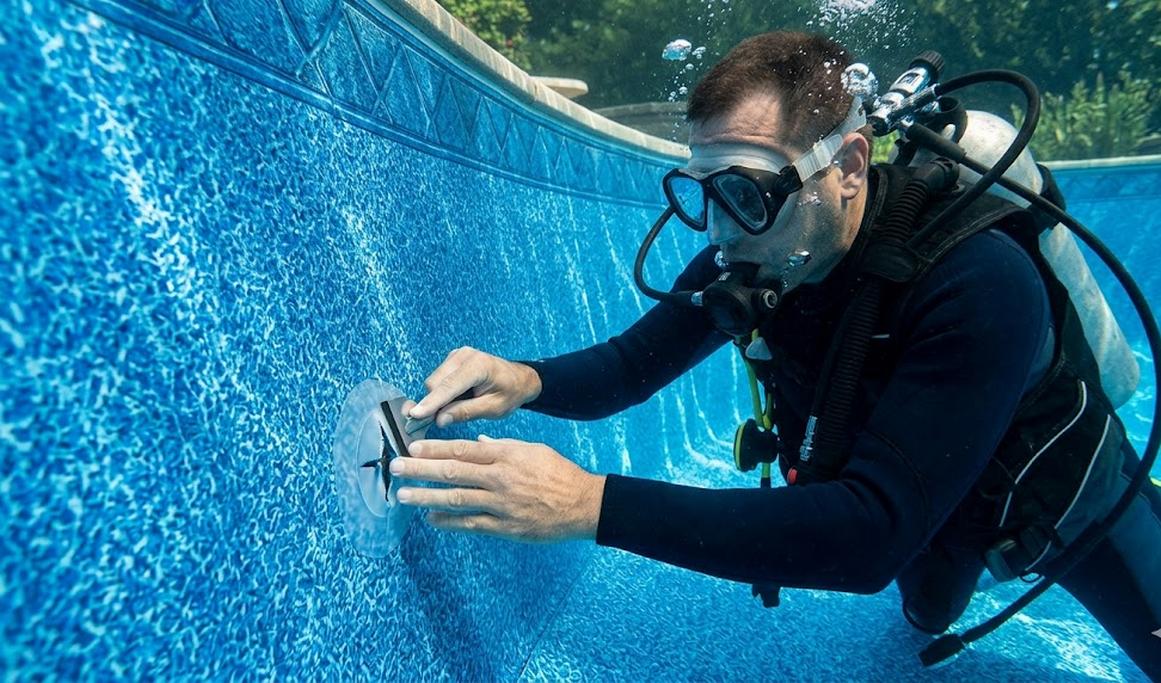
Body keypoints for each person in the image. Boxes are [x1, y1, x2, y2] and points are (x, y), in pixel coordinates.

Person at [387, 32, 1161, 675]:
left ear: (849, 166)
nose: (722, 230)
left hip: (1055, 500)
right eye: (704, 191)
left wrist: (590, 505)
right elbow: (629, 367)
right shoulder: (756, 254)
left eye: (749, 191)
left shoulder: (981, 281)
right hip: (916, 501)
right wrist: (522, 379)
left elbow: (865, 537)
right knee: (926, 609)